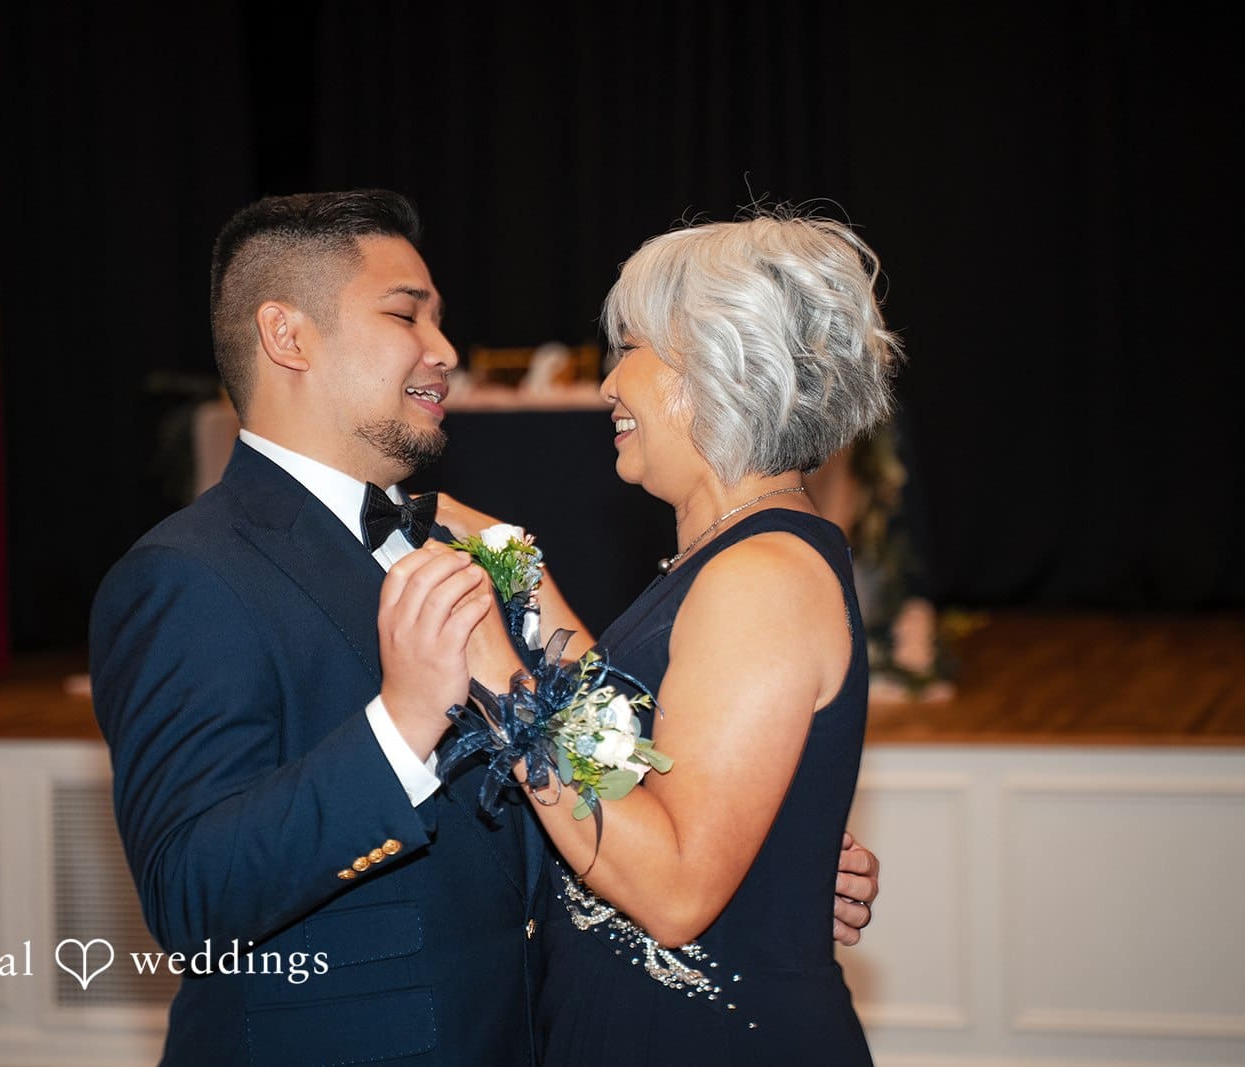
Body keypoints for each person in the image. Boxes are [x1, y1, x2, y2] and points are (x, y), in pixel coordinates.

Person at [88, 190, 881, 1066]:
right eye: (406, 315)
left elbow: (629, 797)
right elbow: (190, 898)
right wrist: (398, 729)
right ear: (289, 336)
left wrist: (773, 854)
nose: (447, 352)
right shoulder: (191, 573)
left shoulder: (478, 550)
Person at [429, 210, 897, 1064]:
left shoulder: (762, 577)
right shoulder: (734, 555)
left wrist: (499, 672)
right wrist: (505, 557)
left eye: (631, 349)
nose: (609, 386)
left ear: (709, 369)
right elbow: (616, 733)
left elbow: (677, 889)